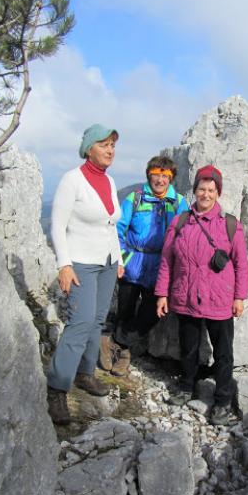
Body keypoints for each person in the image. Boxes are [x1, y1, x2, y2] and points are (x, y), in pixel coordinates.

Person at [155, 165, 248, 426]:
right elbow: (167, 260)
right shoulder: (181, 222)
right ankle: (187, 386)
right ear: (194, 190)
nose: (205, 194)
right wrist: (162, 293)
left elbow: (241, 264)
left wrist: (239, 297)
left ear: (218, 193)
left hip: (220, 300)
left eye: (211, 190)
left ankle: (222, 401)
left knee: (223, 353)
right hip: (186, 297)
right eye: (201, 189)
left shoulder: (230, 225)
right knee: (189, 348)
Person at [46, 124, 124, 425]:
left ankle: (85, 373)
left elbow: (111, 225)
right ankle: (57, 388)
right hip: (80, 263)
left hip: (107, 263)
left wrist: (118, 259)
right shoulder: (72, 180)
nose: (110, 150)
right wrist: (64, 265)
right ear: (88, 149)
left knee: (97, 320)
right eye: (104, 144)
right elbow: (57, 225)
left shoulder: (110, 180)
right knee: (80, 323)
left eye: (113, 145)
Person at [99, 156, 189, 375]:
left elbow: (184, 236)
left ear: (171, 178)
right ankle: (124, 354)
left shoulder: (178, 203)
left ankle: (113, 340)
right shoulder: (135, 198)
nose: (160, 180)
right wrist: (121, 259)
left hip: (160, 266)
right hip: (132, 263)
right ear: (149, 175)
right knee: (125, 310)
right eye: (155, 174)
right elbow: (118, 230)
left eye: (165, 176)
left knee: (152, 314)